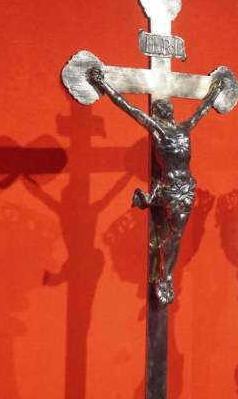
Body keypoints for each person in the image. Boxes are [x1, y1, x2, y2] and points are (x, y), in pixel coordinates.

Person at [87, 66, 223, 304]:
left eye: (168, 107)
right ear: (158, 114)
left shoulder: (184, 128)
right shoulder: (156, 129)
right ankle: (165, 276)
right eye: (162, 108)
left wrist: (214, 92)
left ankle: (165, 271)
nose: (167, 108)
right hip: (171, 189)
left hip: (186, 188)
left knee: (176, 235)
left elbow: (201, 111)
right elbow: (128, 107)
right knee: (174, 234)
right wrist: (104, 85)